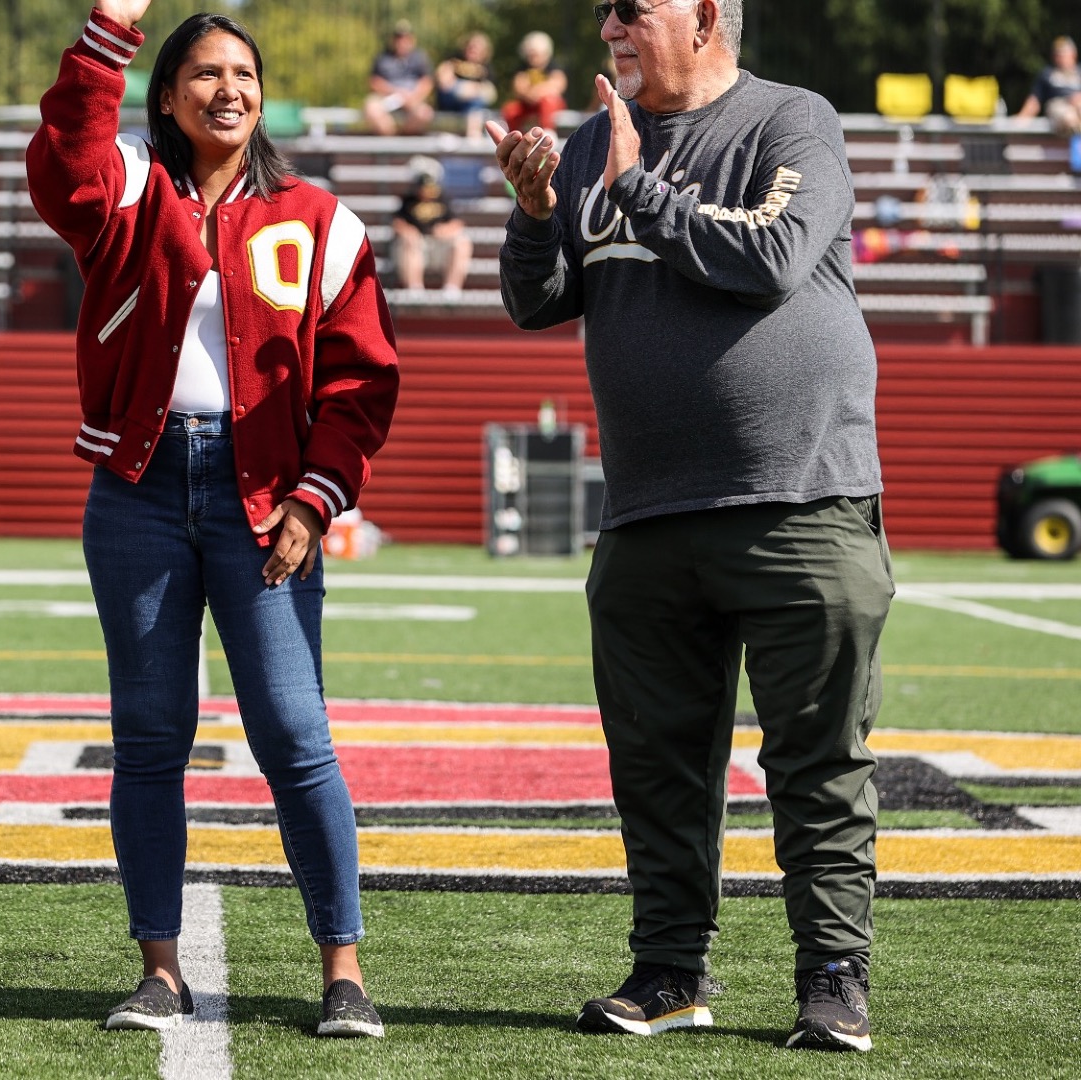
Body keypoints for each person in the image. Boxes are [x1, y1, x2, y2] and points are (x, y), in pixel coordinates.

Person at [489, 0, 888, 1054]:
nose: (609, 23)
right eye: (605, 11)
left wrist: (631, 185)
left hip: (799, 497)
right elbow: (538, 303)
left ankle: (833, 979)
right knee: (657, 764)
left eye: (633, 8)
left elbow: (774, 255)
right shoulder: (587, 145)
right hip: (650, 507)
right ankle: (670, 973)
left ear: (707, 15)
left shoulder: (790, 119)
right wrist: (537, 213)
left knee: (817, 759)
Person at [29, 0, 400, 1039]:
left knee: (294, 735)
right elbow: (64, 159)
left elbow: (361, 383)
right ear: (166, 92)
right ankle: (159, 969)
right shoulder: (128, 191)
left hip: (266, 500)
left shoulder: (322, 218)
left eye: (243, 73)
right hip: (140, 491)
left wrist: (315, 497)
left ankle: (344, 970)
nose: (226, 89)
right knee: (150, 738)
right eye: (202, 74)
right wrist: (107, 30)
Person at [390, 158, 470, 296]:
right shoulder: (408, 200)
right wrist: (409, 231)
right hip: (417, 247)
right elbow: (397, 222)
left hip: (440, 246)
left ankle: (452, 289)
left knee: (462, 243)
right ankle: (415, 290)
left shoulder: (443, 198)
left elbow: (458, 222)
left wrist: (446, 230)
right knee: (410, 242)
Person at [362, 20, 434, 135]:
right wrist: (395, 92)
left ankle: (404, 141)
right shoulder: (382, 57)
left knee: (424, 113)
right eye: (399, 38)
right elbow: (374, 82)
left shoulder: (420, 58)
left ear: (412, 39)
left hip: (413, 98)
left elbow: (427, 82)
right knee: (371, 108)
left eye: (406, 38)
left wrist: (413, 96)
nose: (402, 42)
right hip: (387, 98)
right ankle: (390, 140)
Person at [500, 31, 567, 134]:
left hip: (549, 106)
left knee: (548, 101)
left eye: (536, 54)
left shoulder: (553, 66)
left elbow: (559, 84)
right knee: (510, 109)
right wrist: (532, 93)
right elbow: (518, 88)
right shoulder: (522, 68)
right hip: (528, 105)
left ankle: (548, 134)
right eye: (530, 54)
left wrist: (536, 91)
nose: (533, 58)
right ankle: (515, 137)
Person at [1017, 35, 1081, 135]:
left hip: (1078, 108)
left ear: (1073, 54)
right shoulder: (1047, 74)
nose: (1059, 58)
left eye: (1063, 53)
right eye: (1057, 54)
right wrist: (1018, 123)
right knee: (1069, 117)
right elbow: (1034, 101)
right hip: (1058, 107)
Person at [434, 31, 498, 117]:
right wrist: (463, 87)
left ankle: (472, 129)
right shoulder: (454, 59)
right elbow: (443, 80)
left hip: (472, 102)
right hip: (451, 98)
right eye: (471, 46)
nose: (473, 50)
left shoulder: (486, 68)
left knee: (476, 102)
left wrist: (471, 89)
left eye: (477, 48)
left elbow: (489, 91)